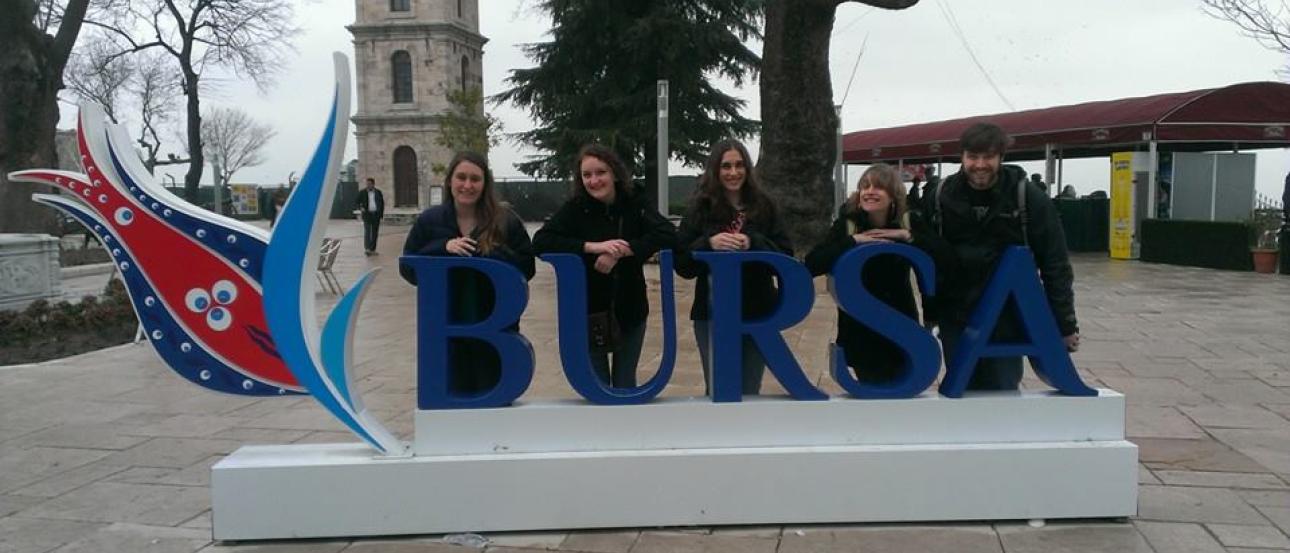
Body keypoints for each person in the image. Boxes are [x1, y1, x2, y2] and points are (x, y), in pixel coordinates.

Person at [928, 122, 1079, 391]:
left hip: (1007, 314)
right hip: (957, 312)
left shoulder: (1026, 197)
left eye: (988, 157)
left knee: (1002, 389)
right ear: (961, 157)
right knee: (959, 389)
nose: (980, 164)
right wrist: (930, 315)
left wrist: (1065, 323)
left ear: (1001, 157)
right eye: (973, 157)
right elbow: (927, 258)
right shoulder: (941, 196)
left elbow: (1054, 262)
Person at [532, 144, 677, 388]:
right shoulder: (576, 208)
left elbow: (667, 233)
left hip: (630, 308)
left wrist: (622, 251)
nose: (594, 180)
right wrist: (593, 247)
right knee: (596, 385)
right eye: (587, 175)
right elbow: (541, 242)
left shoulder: (635, 202)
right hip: (590, 311)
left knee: (624, 383)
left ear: (615, 173)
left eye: (601, 172)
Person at [400, 152, 535, 395]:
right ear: (450, 180)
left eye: (475, 179)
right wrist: (443, 248)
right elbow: (408, 267)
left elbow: (527, 267)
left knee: (492, 399)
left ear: (485, 184)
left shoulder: (505, 221)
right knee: (454, 398)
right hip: (446, 328)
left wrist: (489, 253)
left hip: (495, 327)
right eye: (461, 177)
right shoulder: (430, 221)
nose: (467, 185)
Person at [675, 139, 793, 396]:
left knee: (750, 390)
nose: (733, 172)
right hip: (712, 313)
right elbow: (682, 264)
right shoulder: (700, 208)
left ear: (748, 169)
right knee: (719, 389)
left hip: (758, 313)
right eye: (726, 166)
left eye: (739, 165)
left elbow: (786, 257)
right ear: (715, 171)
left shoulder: (765, 206)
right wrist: (708, 244)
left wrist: (753, 242)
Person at [805, 164, 942, 383]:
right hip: (861, 329)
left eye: (878, 187)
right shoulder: (847, 224)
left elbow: (940, 257)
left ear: (893, 195)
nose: (869, 191)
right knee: (873, 391)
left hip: (901, 323)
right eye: (865, 186)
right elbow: (812, 264)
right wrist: (853, 241)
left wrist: (907, 236)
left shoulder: (909, 222)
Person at [356, 177, 385, 255]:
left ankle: (373, 249)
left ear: (373, 184)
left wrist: (381, 215)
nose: (368, 185)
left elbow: (382, 204)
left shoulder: (378, 192)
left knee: (375, 232)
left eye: (369, 184)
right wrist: (361, 207)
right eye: (367, 184)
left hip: (376, 215)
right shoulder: (362, 192)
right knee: (368, 231)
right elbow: (357, 202)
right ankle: (367, 249)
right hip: (367, 215)